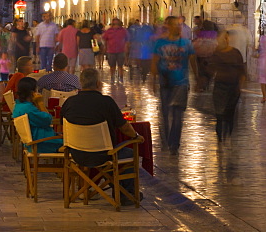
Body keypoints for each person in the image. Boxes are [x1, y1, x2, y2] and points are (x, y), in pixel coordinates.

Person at [61, 67, 143, 204]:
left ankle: (99, 189)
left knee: (115, 154)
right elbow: (124, 127)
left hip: (76, 153)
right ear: (98, 84)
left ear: (81, 83)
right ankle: (126, 193)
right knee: (127, 152)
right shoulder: (107, 102)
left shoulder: (69, 102)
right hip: (103, 154)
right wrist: (136, 136)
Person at [152, 15, 195, 155]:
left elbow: (192, 60)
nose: (178, 27)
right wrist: (153, 79)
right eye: (175, 24)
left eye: (179, 25)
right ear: (169, 26)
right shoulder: (159, 43)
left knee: (177, 115)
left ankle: (174, 144)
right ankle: (166, 139)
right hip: (165, 82)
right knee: (165, 113)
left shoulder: (186, 43)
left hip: (181, 82)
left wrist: (198, 78)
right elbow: (154, 61)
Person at [208, 30, 246, 142]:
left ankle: (227, 136)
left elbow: (242, 71)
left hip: (233, 88)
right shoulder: (216, 54)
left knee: (230, 113)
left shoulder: (235, 53)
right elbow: (210, 70)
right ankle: (221, 138)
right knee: (219, 114)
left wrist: (240, 86)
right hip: (220, 87)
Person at [11, 77, 62, 153]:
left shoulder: (19, 106)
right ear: (33, 92)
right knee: (73, 144)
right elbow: (48, 120)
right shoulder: (28, 109)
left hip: (37, 141)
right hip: (42, 143)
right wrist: (40, 102)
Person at [102, 18, 129, 84]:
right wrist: (105, 47)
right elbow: (105, 38)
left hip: (121, 50)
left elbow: (127, 39)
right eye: (114, 24)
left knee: (120, 66)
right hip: (111, 51)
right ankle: (112, 78)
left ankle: (121, 78)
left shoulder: (123, 31)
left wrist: (126, 47)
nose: (116, 25)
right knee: (112, 66)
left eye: (117, 23)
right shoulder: (109, 31)